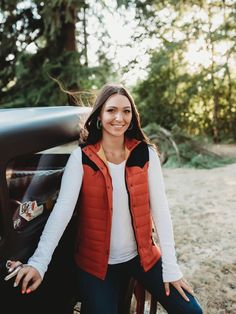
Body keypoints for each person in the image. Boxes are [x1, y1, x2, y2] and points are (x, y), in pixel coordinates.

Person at [7, 83, 203, 313]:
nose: (119, 117)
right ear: (99, 114)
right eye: (111, 110)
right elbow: (62, 212)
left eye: (126, 111)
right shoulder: (81, 158)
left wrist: (171, 267)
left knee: (192, 311)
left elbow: (161, 211)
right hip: (96, 265)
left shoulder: (146, 153)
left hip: (143, 257)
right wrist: (39, 263)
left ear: (132, 115)